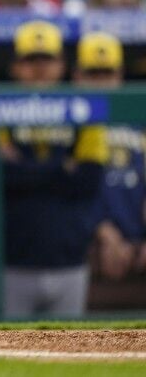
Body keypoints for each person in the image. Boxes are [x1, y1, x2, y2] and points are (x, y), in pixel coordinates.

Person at [0, 21, 107, 318]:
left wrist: (25, 166)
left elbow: (88, 181)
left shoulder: (85, 109)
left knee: (68, 352)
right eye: (31, 60)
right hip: (13, 261)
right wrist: (61, 168)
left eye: (47, 60)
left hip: (70, 259)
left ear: (61, 64)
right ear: (16, 67)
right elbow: (0, 178)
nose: (39, 69)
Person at [73, 33, 146, 283]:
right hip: (86, 248)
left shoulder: (138, 119)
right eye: (93, 73)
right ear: (78, 76)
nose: (101, 81)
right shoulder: (71, 122)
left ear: (120, 74)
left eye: (108, 73)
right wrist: (102, 231)